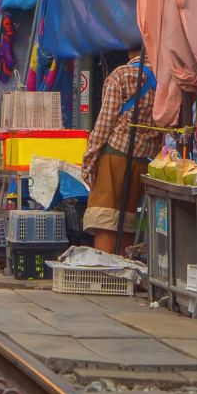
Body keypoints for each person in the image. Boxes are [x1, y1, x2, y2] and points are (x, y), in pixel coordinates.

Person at [83, 50, 156, 254]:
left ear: (130, 51)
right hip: (145, 160)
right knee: (128, 220)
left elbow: (105, 123)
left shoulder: (122, 75)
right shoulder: (168, 77)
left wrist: (89, 158)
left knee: (105, 218)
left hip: (115, 153)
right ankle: (125, 268)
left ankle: (106, 270)